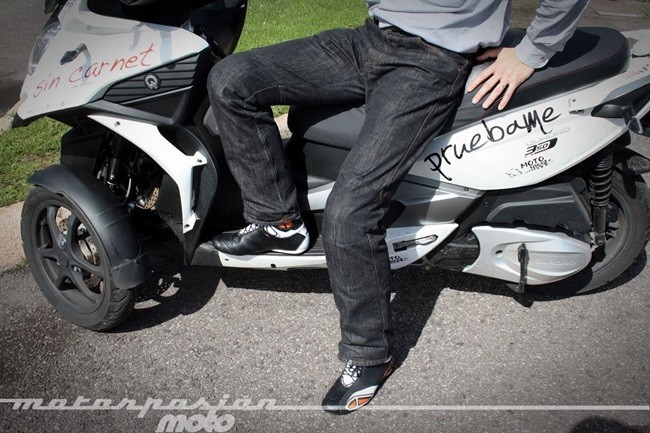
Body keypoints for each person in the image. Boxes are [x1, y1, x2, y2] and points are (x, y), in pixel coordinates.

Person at [207, 0, 588, 414]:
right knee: (231, 79)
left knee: (350, 213)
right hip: (371, 39)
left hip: (433, 61)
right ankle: (279, 222)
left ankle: (371, 355)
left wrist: (532, 50)